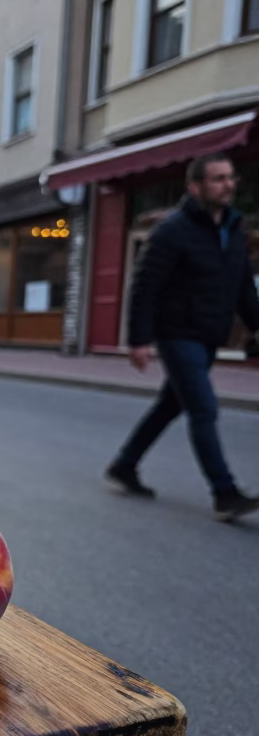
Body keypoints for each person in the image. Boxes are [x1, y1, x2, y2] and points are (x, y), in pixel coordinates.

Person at [106, 153, 259, 521]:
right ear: (196, 186)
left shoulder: (233, 229)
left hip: (208, 335)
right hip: (176, 334)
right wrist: (139, 339)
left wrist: (256, 324)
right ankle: (225, 493)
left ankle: (124, 464)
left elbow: (242, 286)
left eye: (231, 177)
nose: (228, 184)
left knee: (170, 405)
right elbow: (145, 286)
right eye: (219, 178)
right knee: (203, 407)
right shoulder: (173, 230)